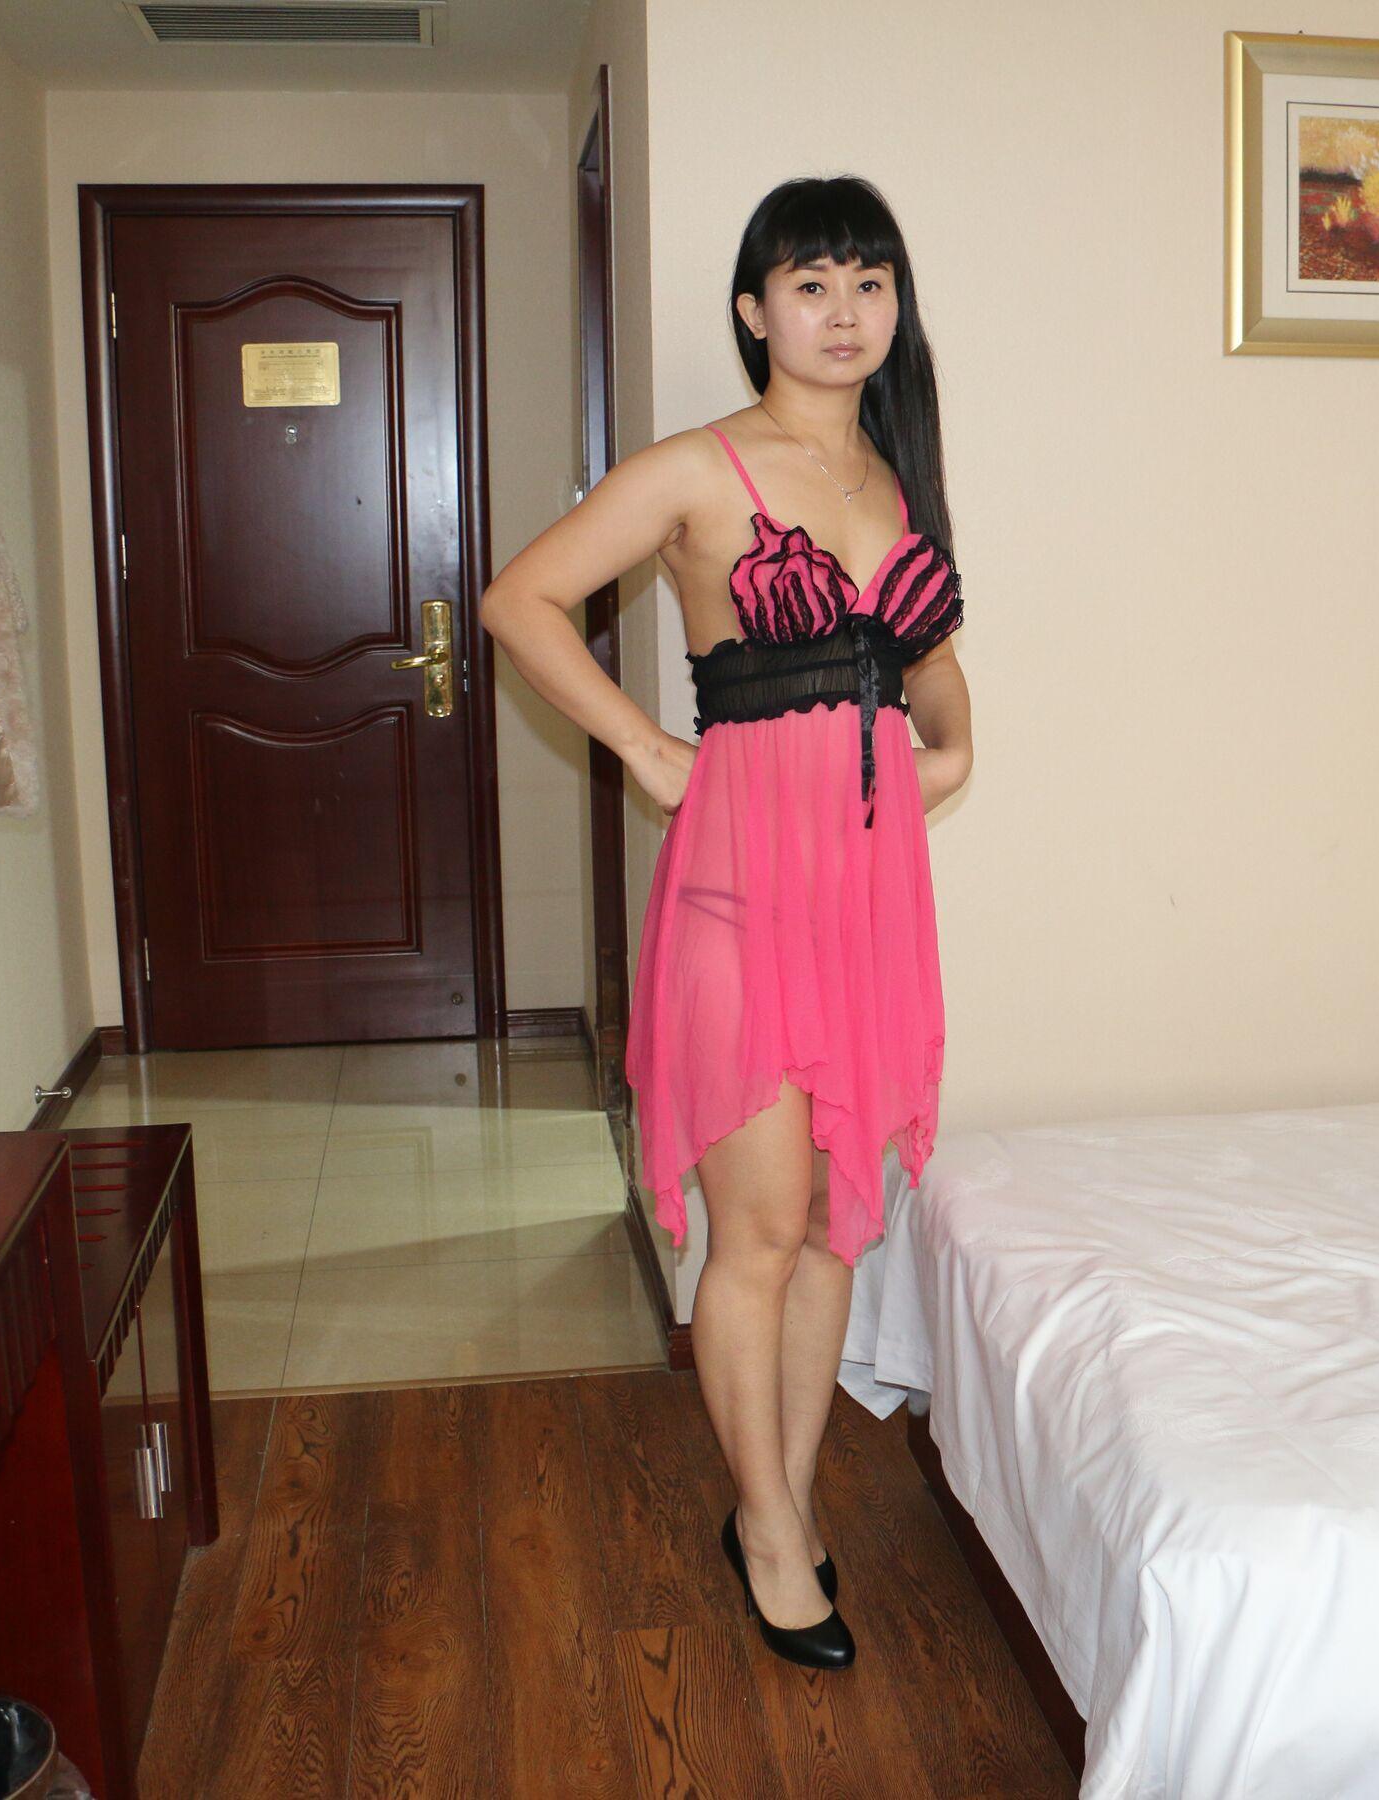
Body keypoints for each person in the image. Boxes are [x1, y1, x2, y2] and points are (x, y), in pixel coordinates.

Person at [478, 175, 970, 1669]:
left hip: (866, 902)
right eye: (810, 283)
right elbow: (520, 600)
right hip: (737, 893)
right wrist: (644, 749)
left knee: (827, 1223)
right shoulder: (700, 469)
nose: (844, 311)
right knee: (756, 1231)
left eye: (869, 281)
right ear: (756, 311)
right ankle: (763, 1530)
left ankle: (789, 1493)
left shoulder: (894, 476)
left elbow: (931, 666)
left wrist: (949, 747)